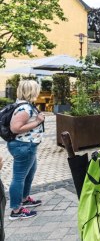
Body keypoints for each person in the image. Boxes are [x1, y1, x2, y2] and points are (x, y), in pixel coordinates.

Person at [8, 80, 45, 220]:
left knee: (29, 173)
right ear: (31, 91)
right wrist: (37, 121)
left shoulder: (26, 105)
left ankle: (24, 199)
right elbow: (15, 128)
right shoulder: (25, 109)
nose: (38, 92)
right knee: (19, 178)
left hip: (27, 146)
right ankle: (16, 210)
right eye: (36, 89)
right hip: (23, 146)